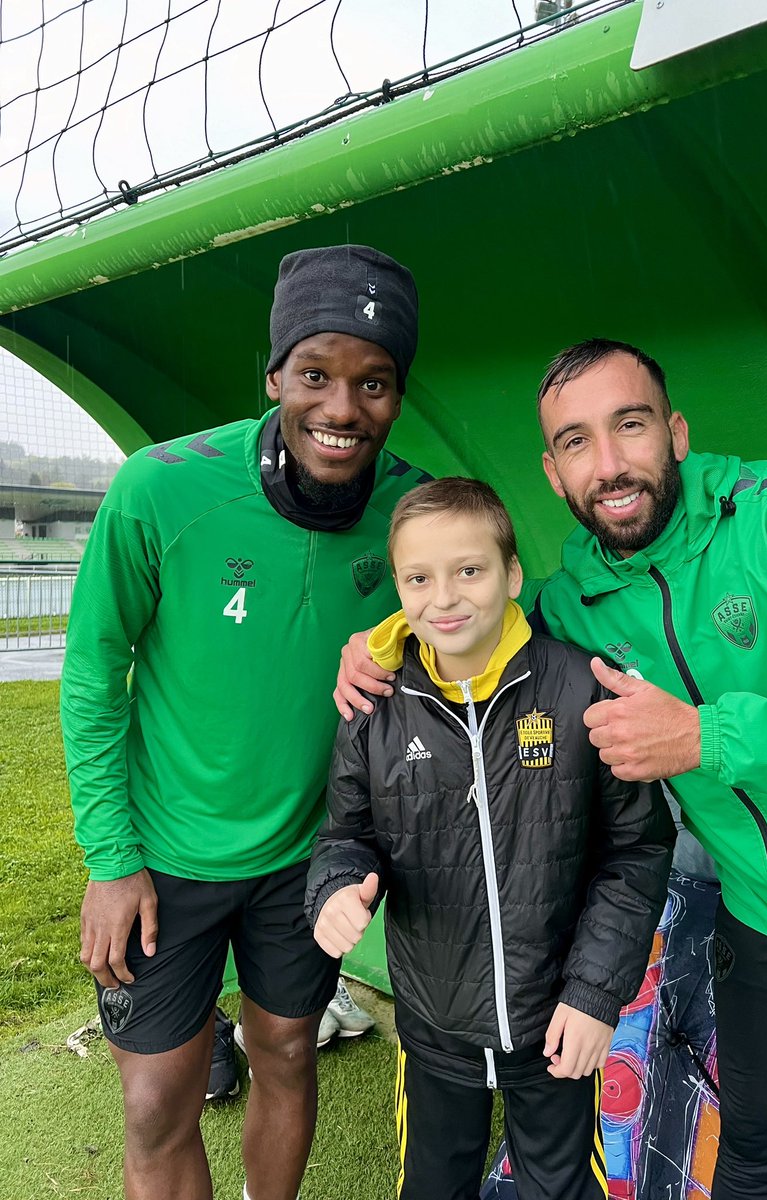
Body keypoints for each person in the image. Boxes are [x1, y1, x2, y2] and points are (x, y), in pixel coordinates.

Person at [334, 338, 767, 1199]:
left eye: (629, 426)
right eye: (575, 442)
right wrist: (379, 648)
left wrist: (709, 738)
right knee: (753, 1149)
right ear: (554, 475)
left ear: (674, 433)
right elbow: (471, 625)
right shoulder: (567, 608)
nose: (608, 464)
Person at [60, 244, 429, 1200]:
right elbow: (95, 676)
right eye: (315, 375)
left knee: (288, 1053)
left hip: (305, 859)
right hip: (163, 859)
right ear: (273, 376)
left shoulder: (409, 511)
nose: (342, 410)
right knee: (154, 1105)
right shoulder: (160, 487)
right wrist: (109, 856)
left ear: (398, 393)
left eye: (374, 383)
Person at [307, 476, 676, 1200]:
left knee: (562, 1187)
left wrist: (596, 994)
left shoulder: (580, 688)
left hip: (556, 1029)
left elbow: (635, 852)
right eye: (419, 577)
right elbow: (344, 836)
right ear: (400, 586)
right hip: (434, 1031)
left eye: (468, 570)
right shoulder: (374, 705)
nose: (443, 598)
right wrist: (335, 887)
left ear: (512, 574)